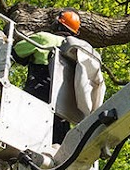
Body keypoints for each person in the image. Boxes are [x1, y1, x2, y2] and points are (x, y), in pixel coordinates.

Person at [13, 9, 82, 143]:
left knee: (24, 143)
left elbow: (16, 52)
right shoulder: (78, 53)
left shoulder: (44, 38)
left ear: (57, 24)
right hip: (62, 113)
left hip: (37, 99)